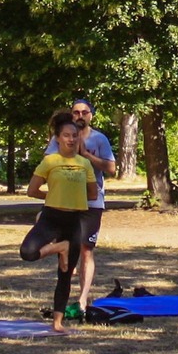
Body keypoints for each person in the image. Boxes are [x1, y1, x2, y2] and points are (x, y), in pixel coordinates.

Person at [23, 112, 97, 332]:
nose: (71, 139)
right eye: (66, 135)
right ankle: (59, 247)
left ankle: (58, 322)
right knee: (27, 252)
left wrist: (71, 195)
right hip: (50, 218)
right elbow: (32, 191)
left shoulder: (84, 163)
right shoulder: (50, 161)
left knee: (65, 275)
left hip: (75, 221)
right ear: (58, 138)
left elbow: (92, 194)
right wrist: (55, 195)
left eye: (75, 135)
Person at [45, 99, 115, 311]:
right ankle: (62, 299)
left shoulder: (98, 139)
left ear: (91, 115)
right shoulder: (61, 138)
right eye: (76, 112)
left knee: (86, 250)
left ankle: (83, 300)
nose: (80, 116)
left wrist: (87, 156)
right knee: (65, 250)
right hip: (65, 202)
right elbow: (47, 163)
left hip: (92, 202)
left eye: (85, 112)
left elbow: (111, 168)